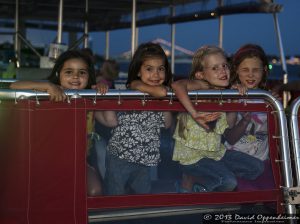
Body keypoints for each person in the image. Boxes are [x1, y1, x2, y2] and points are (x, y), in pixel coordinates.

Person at [9, 49, 108, 196]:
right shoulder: (49, 93)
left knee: (95, 190)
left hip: (78, 162)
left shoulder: (90, 97)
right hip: (47, 161)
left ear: (89, 76)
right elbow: (14, 86)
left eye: (82, 72)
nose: (75, 77)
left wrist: (102, 90)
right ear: (58, 74)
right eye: (68, 72)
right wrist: (48, 87)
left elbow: (110, 120)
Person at [96, 42, 173, 195]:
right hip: (120, 155)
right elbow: (135, 84)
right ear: (138, 71)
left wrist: (163, 99)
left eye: (161, 69)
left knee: (142, 196)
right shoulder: (132, 89)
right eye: (149, 69)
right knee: (114, 196)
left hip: (145, 158)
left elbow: (167, 123)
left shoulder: (162, 95)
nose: (156, 74)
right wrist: (158, 92)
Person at [171, 45, 241, 193]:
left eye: (224, 66)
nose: (223, 71)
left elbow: (230, 123)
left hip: (213, 154)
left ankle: (197, 180)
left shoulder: (223, 93)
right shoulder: (202, 86)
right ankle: (198, 188)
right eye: (215, 68)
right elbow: (177, 85)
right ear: (201, 75)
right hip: (192, 158)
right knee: (229, 181)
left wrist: (234, 99)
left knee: (256, 168)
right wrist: (194, 113)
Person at [222, 44, 272, 180]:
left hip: (261, 161)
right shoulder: (233, 96)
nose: (250, 74)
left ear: (264, 71)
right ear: (237, 71)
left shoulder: (268, 98)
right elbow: (229, 137)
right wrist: (244, 119)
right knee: (256, 170)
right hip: (235, 158)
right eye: (245, 70)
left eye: (256, 70)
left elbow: (274, 135)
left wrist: (275, 110)